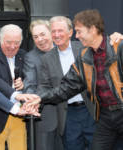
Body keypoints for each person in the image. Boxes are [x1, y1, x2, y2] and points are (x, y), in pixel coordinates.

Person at [26, 9, 123, 150]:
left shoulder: (118, 47)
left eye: (79, 31)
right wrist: (40, 98)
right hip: (106, 116)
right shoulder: (84, 57)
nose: (76, 36)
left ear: (93, 29)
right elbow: (67, 87)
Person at [39, 16, 95, 150]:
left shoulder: (85, 49)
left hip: (91, 110)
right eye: (53, 31)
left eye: (60, 31)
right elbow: (44, 87)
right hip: (67, 114)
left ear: (70, 33)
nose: (56, 35)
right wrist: (37, 98)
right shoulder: (46, 59)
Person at [0, 24, 27, 150]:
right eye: (8, 42)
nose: (12, 47)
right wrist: (16, 94)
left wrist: (25, 84)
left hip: (19, 116)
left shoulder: (23, 55)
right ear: (1, 40)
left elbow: (31, 77)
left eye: (17, 43)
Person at [23, 19, 64, 150]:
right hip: (46, 117)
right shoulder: (31, 57)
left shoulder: (65, 50)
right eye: (36, 37)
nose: (40, 39)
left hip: (71, 116)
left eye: (42, 34)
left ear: (51, 33)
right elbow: (30, 84)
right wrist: (32, 100)